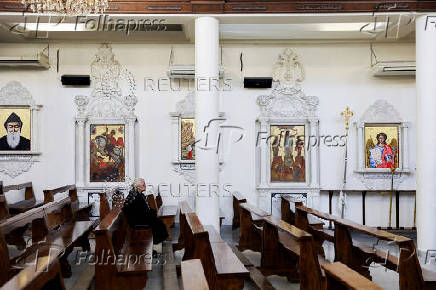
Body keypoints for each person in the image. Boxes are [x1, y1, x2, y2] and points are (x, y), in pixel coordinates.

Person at [122, 178, 169, 245]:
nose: (145, 186)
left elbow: (144, 210)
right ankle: (154, 244)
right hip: (137, 222)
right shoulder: (135, 197)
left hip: (140, 217)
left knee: (158, 222)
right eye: (144, 185)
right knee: (158, 223)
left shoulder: (139, 194)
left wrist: (153, 212)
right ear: (138, 187)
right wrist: (153, 213)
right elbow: (141, 212)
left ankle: (155, 244)